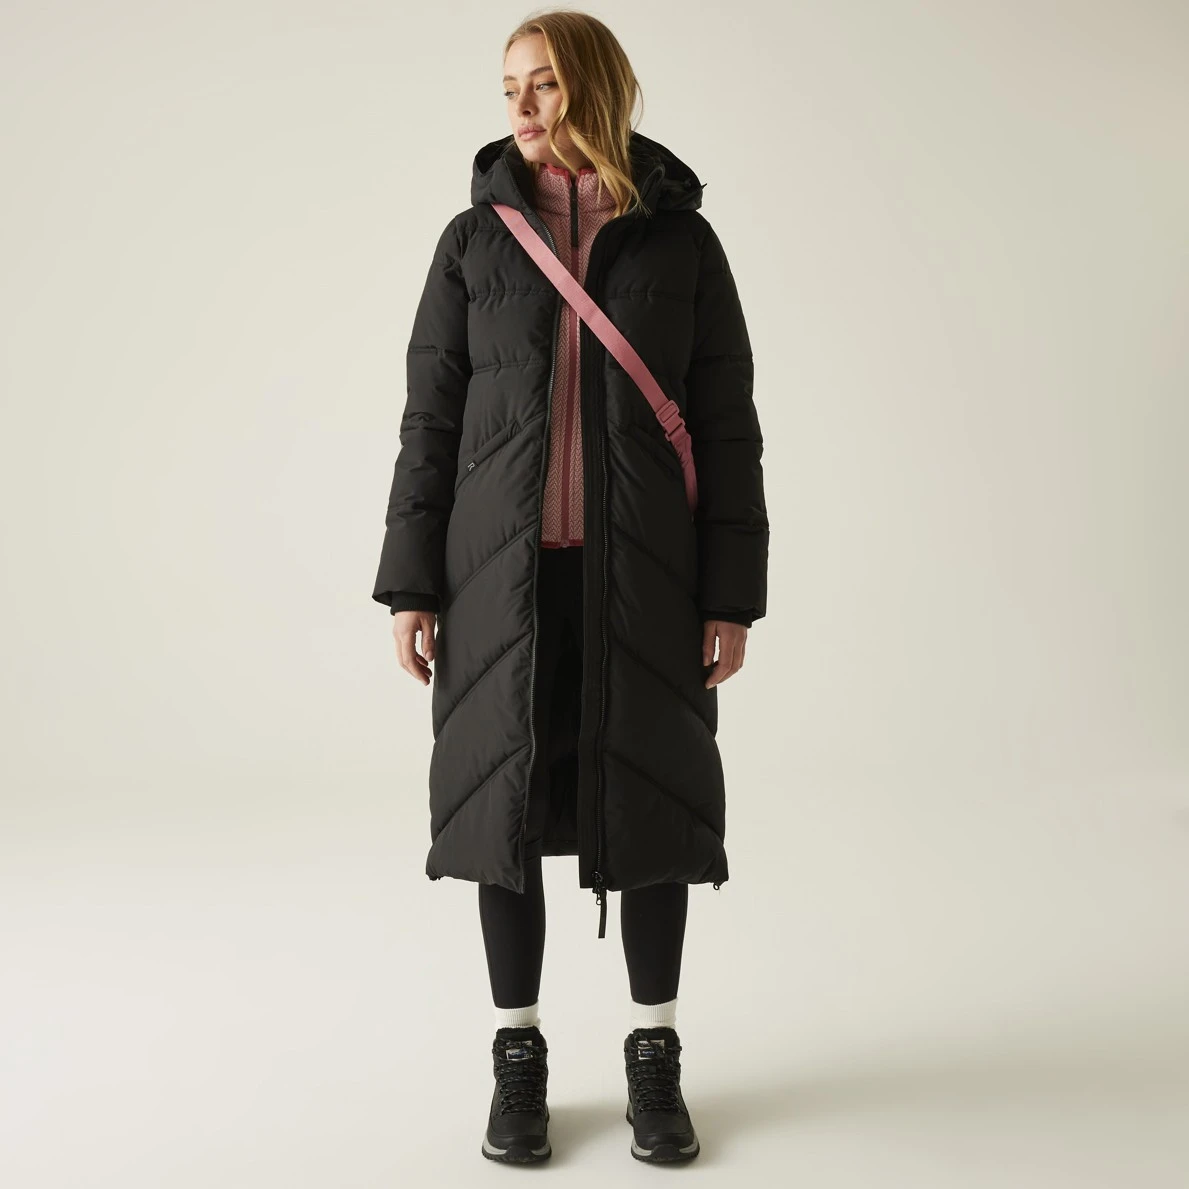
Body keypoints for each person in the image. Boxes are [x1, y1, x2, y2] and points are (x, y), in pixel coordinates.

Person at [372, 9, 768, 1165]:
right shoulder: (472, 244)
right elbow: (430, 422)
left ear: (595, 86)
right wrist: (412, 584)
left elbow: (729, 429)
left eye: (543, 83)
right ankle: (518, 1057)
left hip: (644, 575)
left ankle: (655, 1055)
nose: (522, 106)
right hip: (497, 581)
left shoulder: (682, 246)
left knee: (651, 805)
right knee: (502, 810)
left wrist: (729, 595)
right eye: (508, 86)